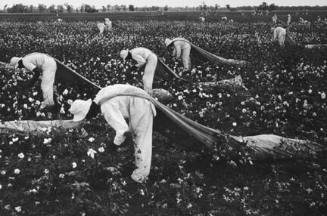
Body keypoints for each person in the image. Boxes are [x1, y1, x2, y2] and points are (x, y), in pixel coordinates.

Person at [69, 84, 156, 183]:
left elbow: (123, 130)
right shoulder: (100, 96)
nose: (89, 118)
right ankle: (138, 166)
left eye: (86, 116)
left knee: (141, 139)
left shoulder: (106, 107)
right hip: (138, 99)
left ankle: (140, 176)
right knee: (136, 135)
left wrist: (114, 145)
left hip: (140, 103)